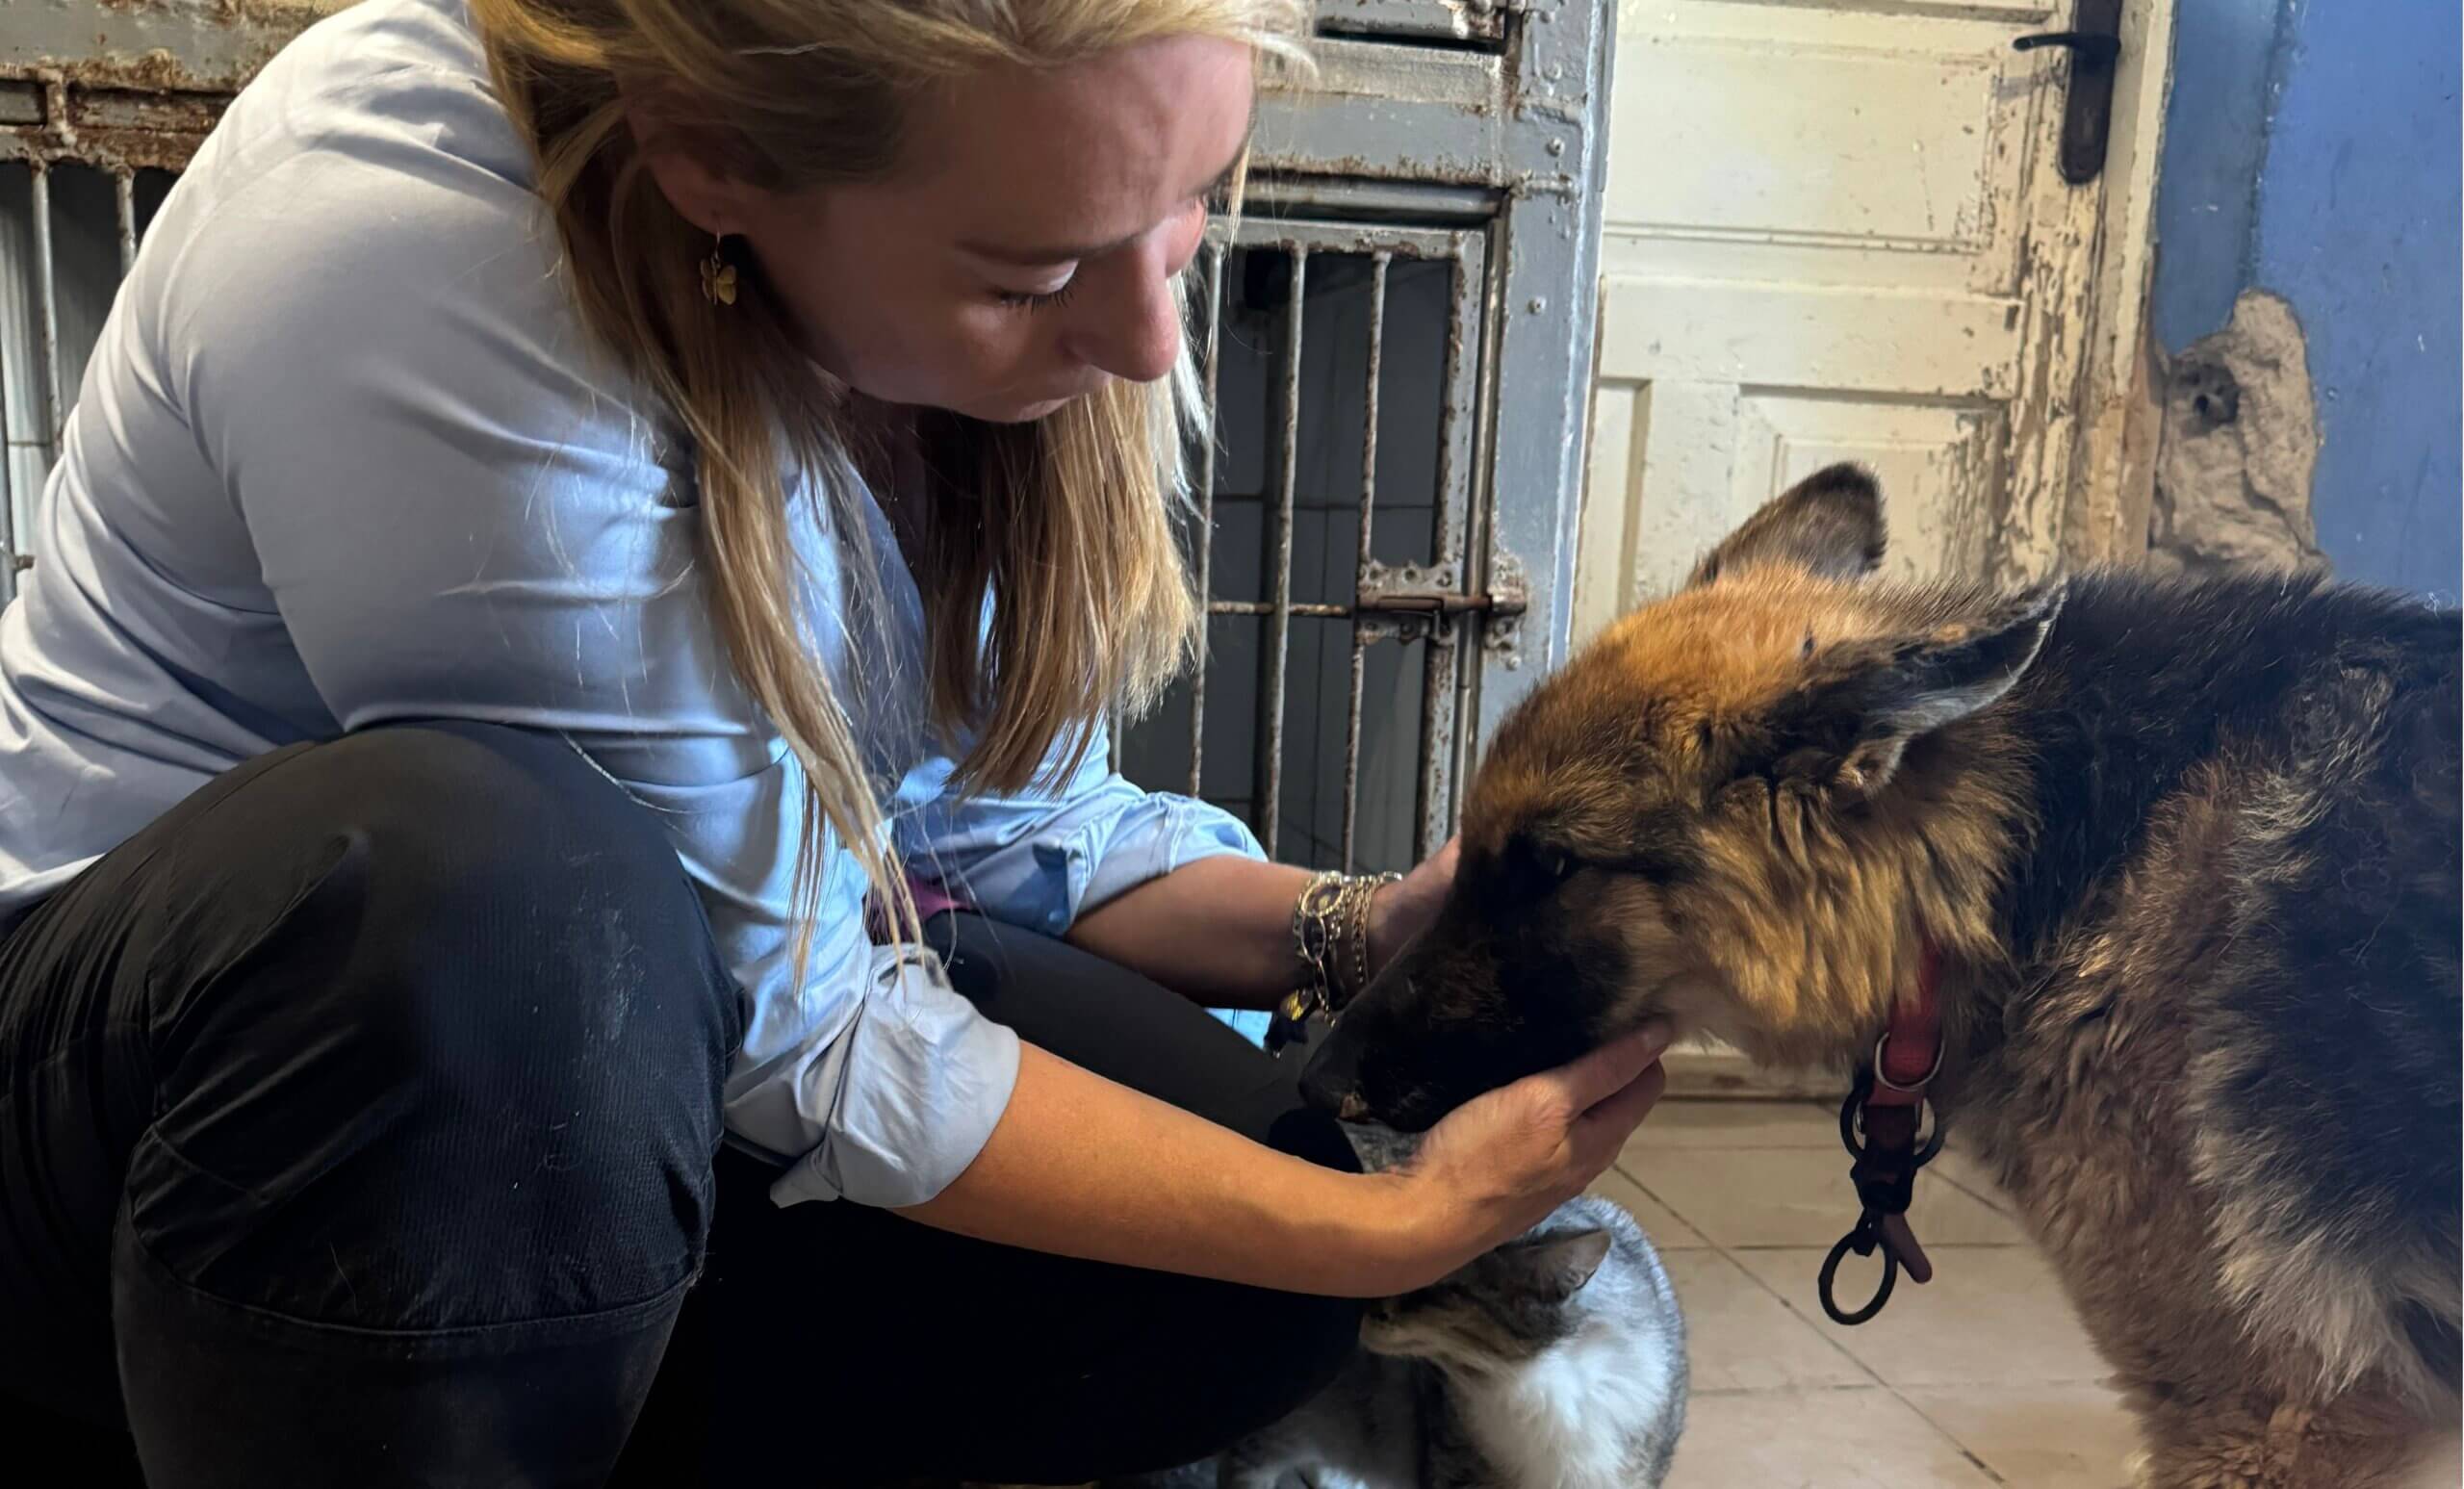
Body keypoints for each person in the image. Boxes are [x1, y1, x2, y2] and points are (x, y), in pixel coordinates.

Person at [0, 0, 1671, 1483]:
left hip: (636, 1037)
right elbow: (805, 1044)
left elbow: (973, 825)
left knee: (1228, 1294)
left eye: (1189, 202)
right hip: (160, 1102)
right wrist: (1393, 1229)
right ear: (715, 159)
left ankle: (561, 1381)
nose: (1152, 342)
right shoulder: (415, 238)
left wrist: (1362, 924)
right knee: (487, 892)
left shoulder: (928, 280)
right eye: (1029, 276)